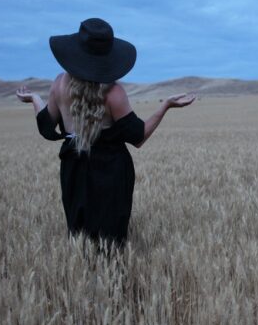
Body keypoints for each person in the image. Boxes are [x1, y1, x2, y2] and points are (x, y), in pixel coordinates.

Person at [16, 18, 194, 246]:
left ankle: (80, 278)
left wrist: (35, 98)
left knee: (79, 237)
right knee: (111, 240)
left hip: (74, 169)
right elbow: (138, 137)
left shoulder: (60, 84)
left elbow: (47, 127)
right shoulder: (114, 93)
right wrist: (165, 106)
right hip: (112, 172)